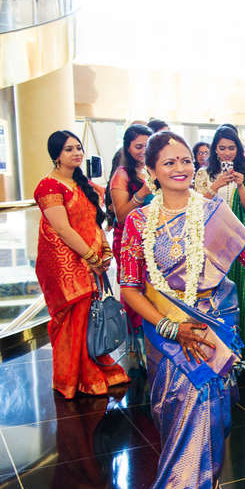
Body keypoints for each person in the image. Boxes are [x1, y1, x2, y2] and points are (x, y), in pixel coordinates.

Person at [119, 130, 245, 489]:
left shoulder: (214, 213)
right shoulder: (138, 222)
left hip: (214, 334)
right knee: (176, 420)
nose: (180, 168)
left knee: (214, 418)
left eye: (186, 160)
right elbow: (131, 289)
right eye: (168, 162)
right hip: (166, 337)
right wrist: (173, 329)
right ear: (150, 171)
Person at [34, 130, 129, 399]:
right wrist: (91, 258)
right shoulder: (49, 186)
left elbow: (93, 223)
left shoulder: (82, 183)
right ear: (56, 155)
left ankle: (94, 365)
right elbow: (62, 229)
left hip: (89, 257)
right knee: (73, 317)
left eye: (78, 148)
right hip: (63, 262)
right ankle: (72, 377)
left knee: (91, 316)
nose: (76, 153)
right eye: (68, 149)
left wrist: (105, 250)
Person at [194, 126, 245, 353]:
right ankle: (218, 338)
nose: (227, 152)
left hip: (238, 241)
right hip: (211, 242)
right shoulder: (203, 174)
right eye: (222, 148)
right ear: (215, 150)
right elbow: (196, 207)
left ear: (238, 149)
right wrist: (216, 185)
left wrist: (240, 185)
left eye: (231, 148)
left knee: (243, 285)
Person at [105, 124, 154, 358]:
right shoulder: (122, 174)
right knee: (135, 287)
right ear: (128, 147)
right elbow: (122, 214)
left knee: (153, 288)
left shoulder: (153, 170)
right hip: (129, 240)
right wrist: (142, 193)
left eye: (147, 145)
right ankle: (136, 349)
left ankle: (153, 340)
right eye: (138, 146)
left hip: (153, 237)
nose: (143, 150)